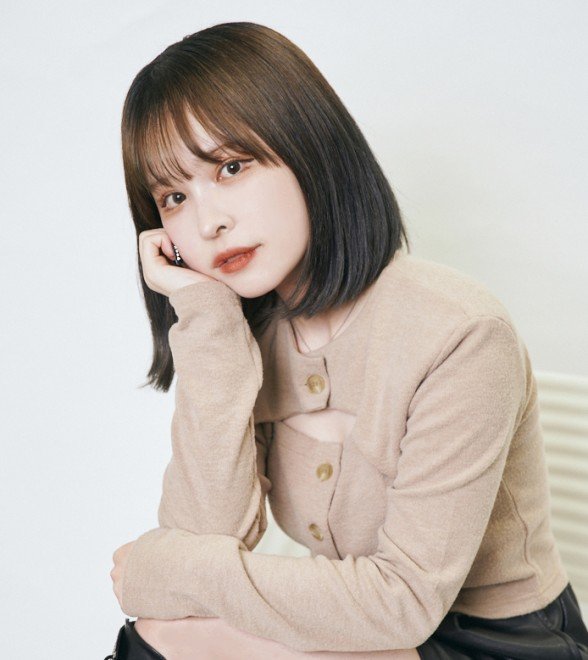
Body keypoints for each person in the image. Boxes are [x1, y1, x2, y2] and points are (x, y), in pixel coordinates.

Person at [106, 21, 588, 660]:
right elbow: (202, 541)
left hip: (501, 643)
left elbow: (404, 602)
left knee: (160, 641)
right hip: (357, 629)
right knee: (161, 635)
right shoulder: (249, 337)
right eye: (173, 196)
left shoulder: (461, 334)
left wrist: (174, 568)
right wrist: (208, 321)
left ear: (308, 145)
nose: (208, 222)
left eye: (231, 167)